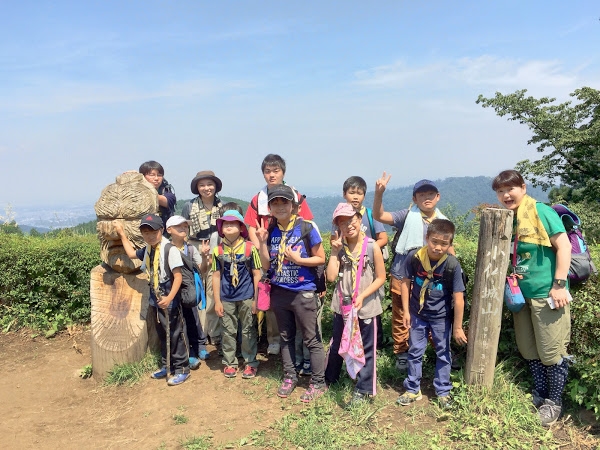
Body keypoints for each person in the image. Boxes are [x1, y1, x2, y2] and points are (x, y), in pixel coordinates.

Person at [492, 169, 571, 427]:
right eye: (500, 191)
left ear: (523, 188)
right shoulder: (508, 218)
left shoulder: (541, 212)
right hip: (520, 296)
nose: (506, 195)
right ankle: (539, 393)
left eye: (510, 189)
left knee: (551, 352)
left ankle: (554, 401)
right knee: (529, 349)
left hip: (546, 293)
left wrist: (559, 284)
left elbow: (564, 246)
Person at [373, 173, 452, 373]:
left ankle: (439, 351)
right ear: (414, 198)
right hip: (403, 274)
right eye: (421, 194)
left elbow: (449, 248)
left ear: (438, 197)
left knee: (434, 312)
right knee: (400, 314)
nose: (426, 197)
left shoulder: (443, 222)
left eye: (430, 194)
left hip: (433, 278)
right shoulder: (407, 216)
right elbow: (379, 216)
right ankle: (401, 352)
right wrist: (379, 194)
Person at [255, 184, 327, 402]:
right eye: (274, 203)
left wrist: (298, 260)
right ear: (269, 208)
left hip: (303, 291)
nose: (279, 207)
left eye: (284, 202)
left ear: (294, 206)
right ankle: (290, 376)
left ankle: (318, 382)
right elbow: (267, 264)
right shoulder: (271, 231)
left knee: (311, 339)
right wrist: (261, 242)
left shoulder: (306, 228)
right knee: (286, 337)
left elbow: (321, 258)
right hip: (280, 291)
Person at [244, 154, 315, 356]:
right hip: (268, 251)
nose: (271, 175)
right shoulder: (258, 199)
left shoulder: (295, 194)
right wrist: (262, 247)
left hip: (293, 254)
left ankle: (300, 343)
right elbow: (251, 225)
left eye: (275, 171)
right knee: (271, 294)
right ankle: (274, 339)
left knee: (293, 294)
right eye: (267, 171)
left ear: (283, 172)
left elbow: (307, 222)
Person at [396, 219, 467, 407]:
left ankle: (443, 391)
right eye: (434, 241)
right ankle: (412, 389)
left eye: (444, 244)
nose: (438, 247)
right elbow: (405, 282)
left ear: (450, 244)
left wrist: (458, 327)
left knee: (443, 353)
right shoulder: (415, 257)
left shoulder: (452, 265)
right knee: (414, 350)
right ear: (427, 238)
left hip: (441, 317)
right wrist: (406, 311)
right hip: (417, 314)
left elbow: (459, 297)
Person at [114, 213, 190, 386]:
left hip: (169, 294)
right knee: (163, 332)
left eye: (153, 231)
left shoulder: (169, 249)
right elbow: (132, 254)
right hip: (156, 295)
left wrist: (170, 298)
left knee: (176, 333)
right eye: (145, 232)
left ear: (161, 230)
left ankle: (182, 369)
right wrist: (122, 234)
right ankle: (167, 365)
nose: (149, 235)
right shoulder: (149, 249)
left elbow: (178, 277)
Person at [325, 203, 386, 405]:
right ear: (337, 228)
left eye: (351, 220)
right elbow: (331, 277)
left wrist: (363, 295)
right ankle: (329, 379)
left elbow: (381, 277)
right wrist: (334, 253)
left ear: (360, 219)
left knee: (367, 348)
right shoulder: (339, 248)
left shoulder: (372, 246)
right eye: (342, 223)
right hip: (342, 306)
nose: (348, 226)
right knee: (336, 344)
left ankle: (364, 389)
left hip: (366, 306)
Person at [335, 175, 389, 351]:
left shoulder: (370, 215)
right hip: (348, 268)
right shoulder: (340, 216)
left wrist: (366, 249)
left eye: (359, 193)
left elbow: (383, 238)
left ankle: (375, 343)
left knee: (371, 304)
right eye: (352, 193)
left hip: (368, 266)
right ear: (344, 194)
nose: (355, 197)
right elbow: (335, 241)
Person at [212, 210, 262, 379]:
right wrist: (217, 301)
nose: (229, 226)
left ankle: (250, 363)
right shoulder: (217, 251)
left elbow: (257, 274)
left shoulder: (250, 248)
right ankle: (229, 362)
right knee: (228, 331)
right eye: (226, 224)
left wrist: (256, 299)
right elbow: (216, 276)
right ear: (221, 228)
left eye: (233, 223)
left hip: (247, 296)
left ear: (241, 227)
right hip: (226, 297)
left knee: (248, 330)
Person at [182, 171, 224, 349]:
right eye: (202, 185)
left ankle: (214, 332)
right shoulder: (189, 206)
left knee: (214, 291)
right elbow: (183, 230)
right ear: (197, 188)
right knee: (198, 289)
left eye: (209, 184)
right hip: (195, 248)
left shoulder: (221, 206)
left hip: (216, 247)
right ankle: (201, 333)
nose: (206, 188)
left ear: (215, 186)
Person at [165, 215, 210, 368]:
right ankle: (189, 353)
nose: (184, 229)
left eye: (185, 226)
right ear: (169, 230)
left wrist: (204, 257)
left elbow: (203, 270)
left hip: (189, 290)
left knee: (194, 319)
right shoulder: (166, 249)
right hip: (174, 290)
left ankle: (200, 347)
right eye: (179, 226)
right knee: (180, 323)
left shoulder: (190, 248)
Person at [139, 161, 176, 232]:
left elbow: (164, 200)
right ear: (142, 177)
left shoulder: (168, 193)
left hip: (161, 233)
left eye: (159, 175)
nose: (156, 178)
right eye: (152, 175)